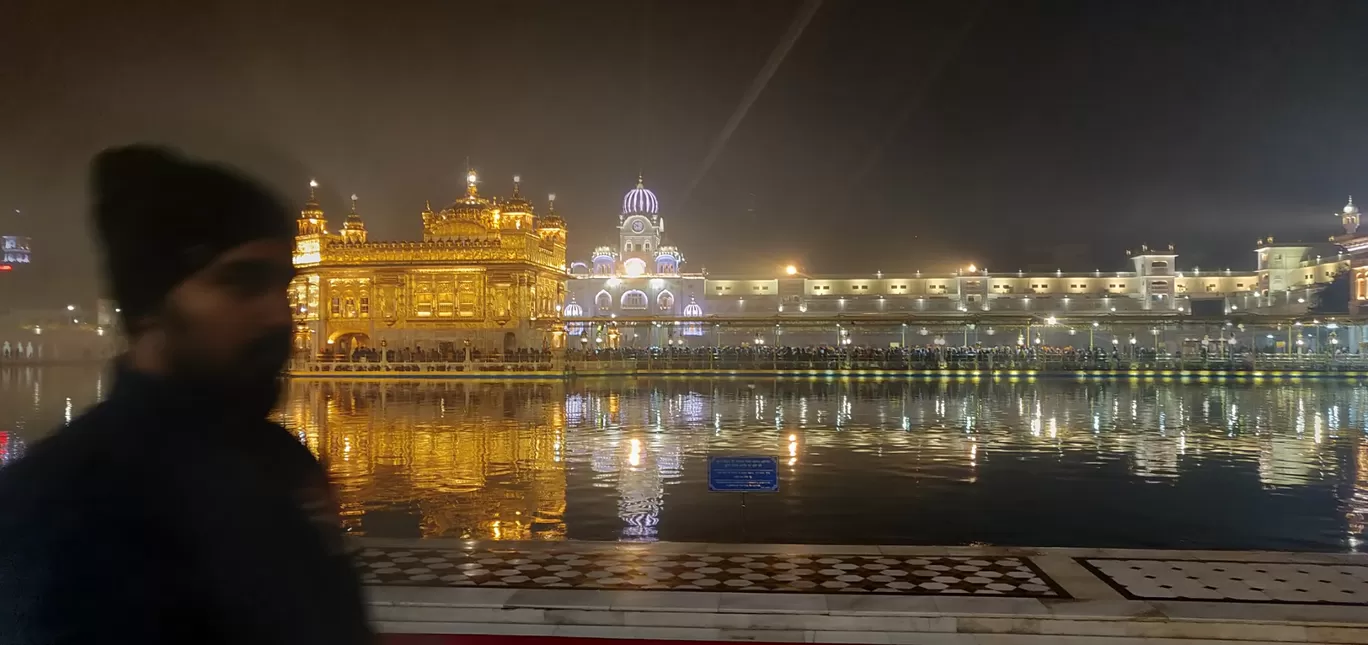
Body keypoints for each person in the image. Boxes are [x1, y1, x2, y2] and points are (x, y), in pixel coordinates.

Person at [0, 146, 372, 644]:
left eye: (281, 287)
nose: (279, 316)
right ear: (151, 304)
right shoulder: (57, 502)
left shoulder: (283, 461)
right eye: (241, 284)